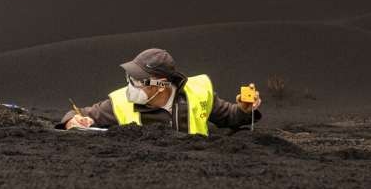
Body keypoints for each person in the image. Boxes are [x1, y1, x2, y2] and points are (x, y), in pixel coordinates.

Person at [59, 48, 262, 135]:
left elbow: (230, 117)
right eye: (130, 78)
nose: (132, 85)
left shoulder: (199, 92)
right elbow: (82, 115)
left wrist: (244, 109)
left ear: (162, 84)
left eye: (140, 81)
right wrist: (73, 120)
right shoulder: (120, 102)